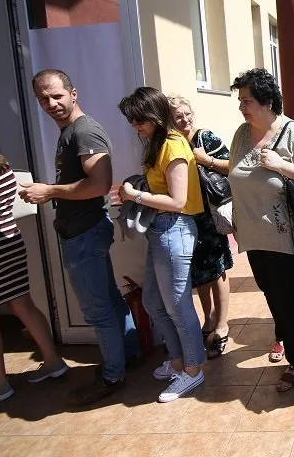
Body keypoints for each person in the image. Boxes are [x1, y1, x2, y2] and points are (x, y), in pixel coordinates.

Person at [23, 69, 138, 406]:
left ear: (73, 94)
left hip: (84, 233)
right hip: (83, 231)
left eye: (57, 95)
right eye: (44, 98)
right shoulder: (71, 131)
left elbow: (100, 184)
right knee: (110, 300)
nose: (51, 103)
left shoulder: (84, 131)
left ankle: (113, 374)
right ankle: (126, 356)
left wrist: (49, 191)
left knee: (98, 310)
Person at [224, 68, 294, 392]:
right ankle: (284, 336)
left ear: (268, 101)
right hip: (253, 235)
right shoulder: (242, 134)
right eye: (240, 100)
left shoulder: (292, 132)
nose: (242, 106)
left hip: (286, 235)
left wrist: (281, 165)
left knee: (287, 297)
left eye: (248, 100)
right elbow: (234, 173)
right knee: (271, 293)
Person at [117, 87, 206, 402]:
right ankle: (180, 360)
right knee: (155, 302)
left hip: (175, 229)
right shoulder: (158, 144)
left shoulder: (172, 144)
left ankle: (193, 370)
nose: (135, 127)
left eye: (138, 120)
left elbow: (177, 200)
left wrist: (134, 195)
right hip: (162, 231)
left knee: (178, 306)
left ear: (153, 116)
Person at [0, 149, 68, 402]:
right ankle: (53, 361)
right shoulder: (1, 166)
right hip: (10, 243)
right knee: (24, 304)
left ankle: (0, 384)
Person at [168, 96, 233, 360]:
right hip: (187, 217)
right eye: (177, 116)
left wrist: (205, 160)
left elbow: (233, 166)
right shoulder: (171, 143)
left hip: (210, 216)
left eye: (187, 113)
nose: (184, 120)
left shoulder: (205, 138)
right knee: (199, 273)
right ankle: (208, 319)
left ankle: (222, 324)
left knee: (217, 270)